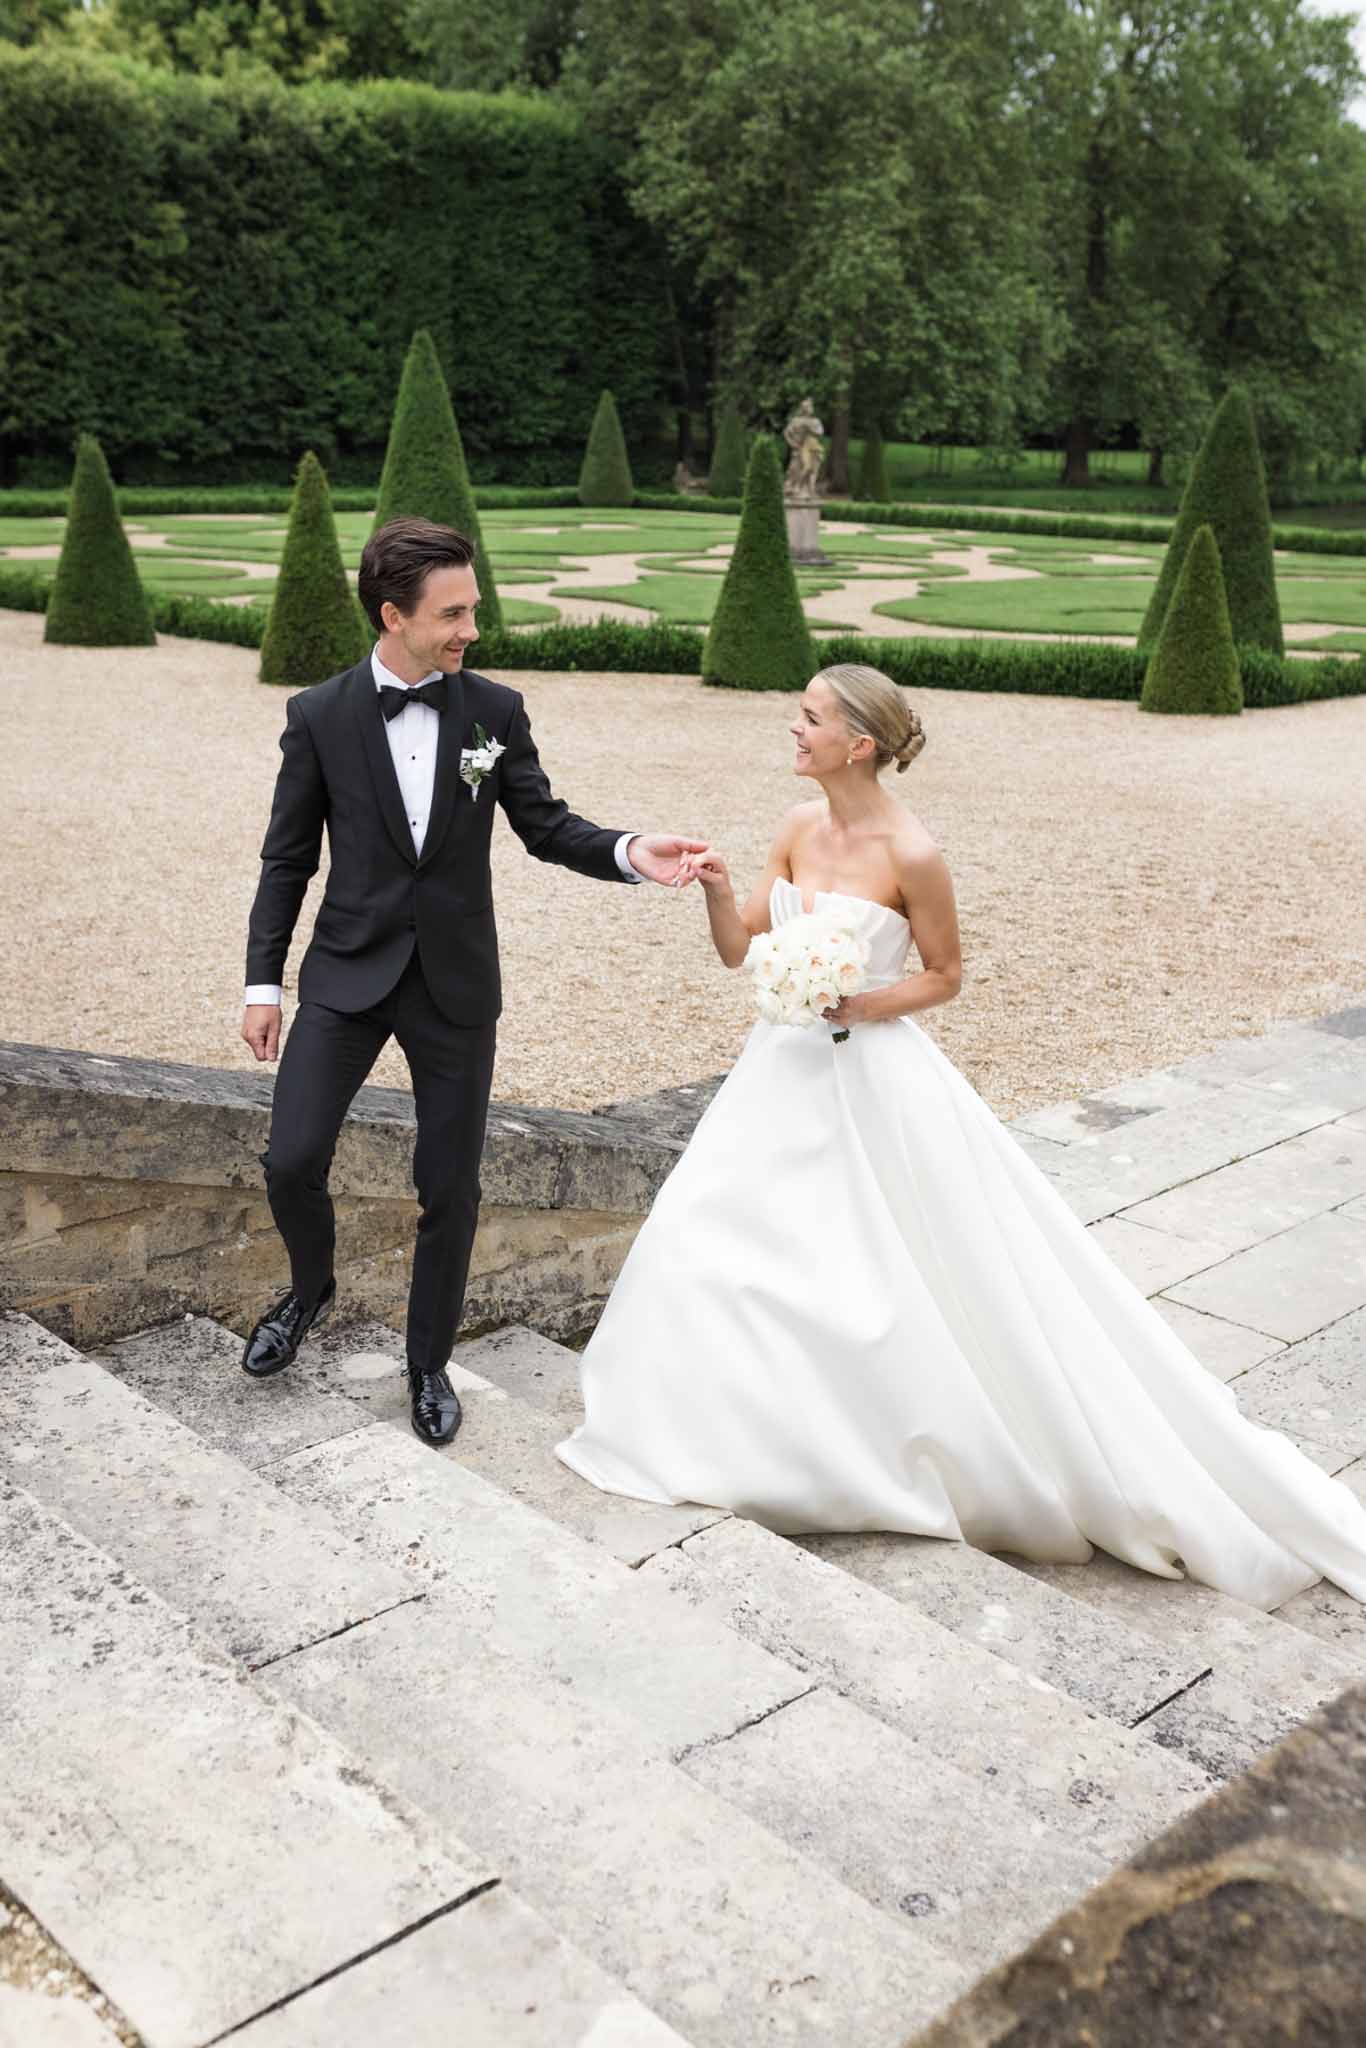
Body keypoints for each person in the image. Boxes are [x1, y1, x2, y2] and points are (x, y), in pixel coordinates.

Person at [555, 662, 1366, 1610]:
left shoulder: (914, 853)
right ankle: (728, 1431)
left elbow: (945, 973)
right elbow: (743, 950)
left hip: (871, 1077)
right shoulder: (792, 829)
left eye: (808, 717)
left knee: (887, 1279)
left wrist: (859, 998)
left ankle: (871, 1448)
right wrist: (721, 887)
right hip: (777, 1074)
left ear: (857, 743)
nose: (793, 727)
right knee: (709, 1246)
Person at [240, 516, 704, 1446]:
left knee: (449, 1184)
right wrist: (264, 984)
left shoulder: (493, 710)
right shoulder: (319, 716)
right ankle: (310, 1287)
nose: (471, 631)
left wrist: (625, 850)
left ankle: (427, 1364)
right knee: (291, 1157)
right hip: (346, 969)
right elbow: (286, 859)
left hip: (455, 980)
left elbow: (544, 824)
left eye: (474, 610)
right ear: (393, 614)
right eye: (454, 614)